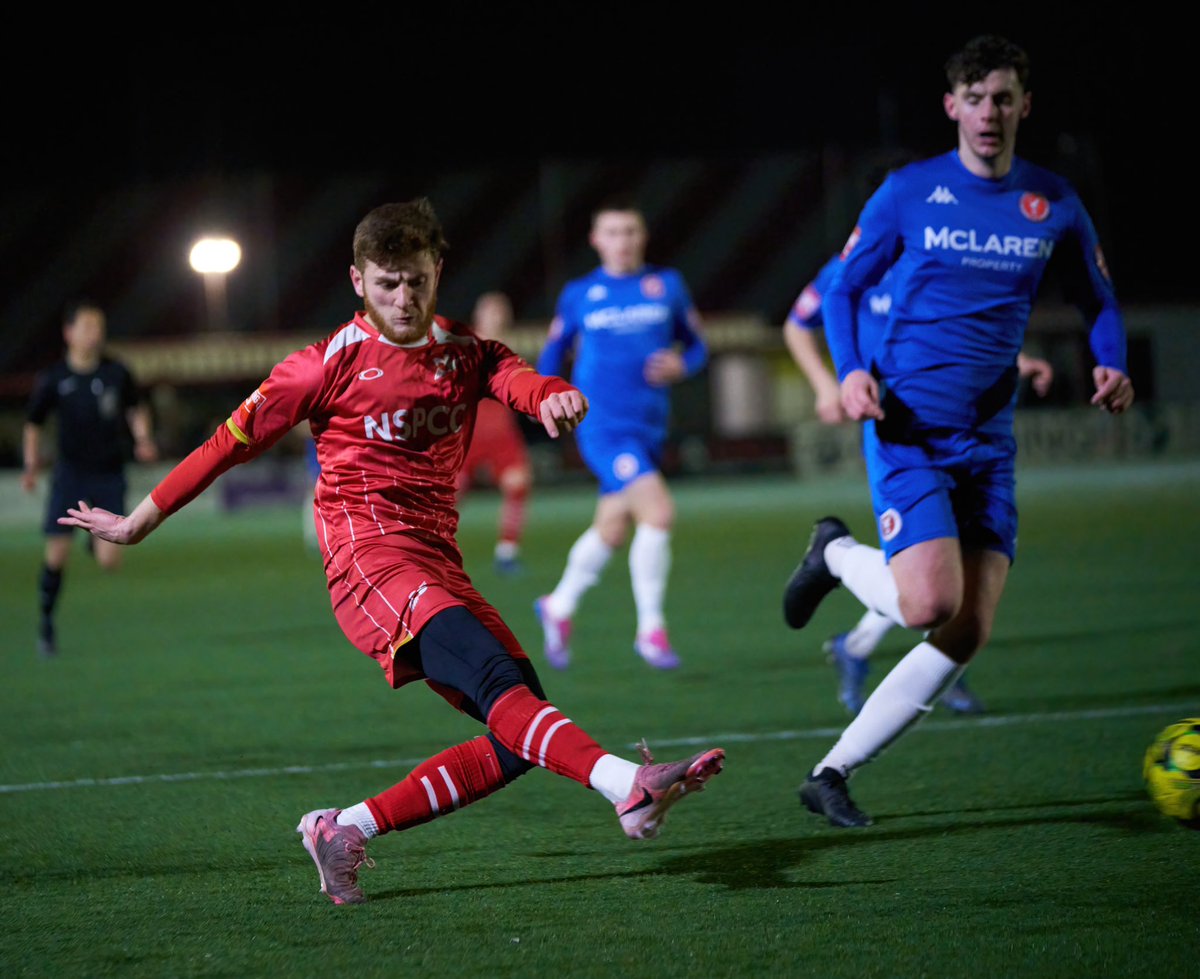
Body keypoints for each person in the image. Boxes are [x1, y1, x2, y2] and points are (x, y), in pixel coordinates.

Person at [60, 199, 725, 905]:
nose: (403, 299)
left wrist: (553, 396)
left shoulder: (464, 351)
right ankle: (630, 785)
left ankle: (343, 828)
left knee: (519, 730)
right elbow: (227, 443)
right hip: (368, 561)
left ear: (438, 272)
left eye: (416, 281)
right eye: (387, 284)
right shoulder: (320, 367)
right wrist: (138, 520)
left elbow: (519, 379)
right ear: (358, 281)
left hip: (438, 560)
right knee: (504, 688)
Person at [782, 35, 1133, 828]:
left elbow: (1099, 300)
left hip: (989, 441)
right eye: (974, 99)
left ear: (1024, 107)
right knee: (927, 603)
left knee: (968, 626)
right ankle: (833, 552)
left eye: (1003, 98)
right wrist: (847, 372)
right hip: (907, 426)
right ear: (952, 107)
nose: (988, 113)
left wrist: (1109, 360)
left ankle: (832, 771)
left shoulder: (1053, 202)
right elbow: (842, 292)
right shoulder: (909, 193)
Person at [783, 253, 1054, 716]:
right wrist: (828, 385)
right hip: (894, 429)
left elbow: (968, 326)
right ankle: (938, 662)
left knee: (941, 559)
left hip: (956, 424)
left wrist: (1019, 357)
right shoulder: (855, 261)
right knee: (930, 560)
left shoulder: (944, 254)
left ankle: (863, 646)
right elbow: (797, 324)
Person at [534, 197, 708, 670]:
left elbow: (697, 348)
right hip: (602, 425)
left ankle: (558, 606)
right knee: (658, 511)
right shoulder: (579, 294)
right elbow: (551, 357)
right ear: (596, 240)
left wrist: (682, 364)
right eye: (612, 232)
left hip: (649, 425)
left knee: (612, 528)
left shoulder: (666, 286)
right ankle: (651, 630)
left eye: (630, 231)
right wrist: (545, 400)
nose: (623, 241)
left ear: (643, 236)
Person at [22, 300, 157, 657]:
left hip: (109, 474)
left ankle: (93, 541)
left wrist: (143, 439)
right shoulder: (54, 378)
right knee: (55, 556)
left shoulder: (116, 372)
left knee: (111, 562)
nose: (94, 333)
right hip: (70, 476)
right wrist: (31, 466)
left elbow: (135, 408)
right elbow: (33, 424)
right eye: (86, 326)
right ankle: (47, 624)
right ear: (69, 333)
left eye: (98, 326)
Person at [455, 291, 534, 575]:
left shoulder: (512, 349)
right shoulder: (464, 346)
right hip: (468, 432)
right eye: (492, 311)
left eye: (502, 311)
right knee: (450, 496)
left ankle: (507, 553)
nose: (498, 316)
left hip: (501, 433)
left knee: (518, 484)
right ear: (479, 314)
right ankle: (429, 548)